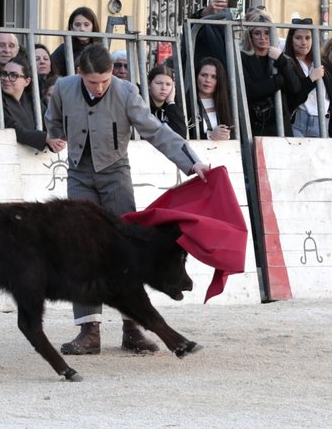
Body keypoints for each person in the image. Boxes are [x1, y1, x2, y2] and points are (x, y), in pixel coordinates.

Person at [45, 44, 210, 356]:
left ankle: (132, 327)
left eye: (105, 80)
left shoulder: (125, 92)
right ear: (80, 74)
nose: (100, 87)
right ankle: (89, 330)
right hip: (79, 174)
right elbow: (52, 119)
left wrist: (192, 162)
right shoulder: (64, 88)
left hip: (115, 174)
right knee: (80, 250)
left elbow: (156, 131)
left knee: (126, 252)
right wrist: (51, 137)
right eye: (93, 82)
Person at [240, 13, 301, 137]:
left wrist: (281, 61)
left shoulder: (282, 59)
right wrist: (277, 82)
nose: (263, 37)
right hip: (254, 124)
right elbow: (248, 91)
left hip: (280, 126)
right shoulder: (243, 58)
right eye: (257, 33)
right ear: (250, 36)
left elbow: (295, 88)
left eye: (267, 33)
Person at [0, 54, 47, 150]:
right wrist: (44, 138)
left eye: (13, 75)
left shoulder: (33, 102)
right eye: (4, 74)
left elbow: (49, 122)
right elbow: (10, 128)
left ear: (27, 81)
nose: (6, 79)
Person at [283, 18, 326, 138]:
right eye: (298, 38)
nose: (303, 42)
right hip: (297, 121)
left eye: (308, 38)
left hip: (321, 121)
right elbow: (293, 97)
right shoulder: (287, 63)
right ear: (291, 39)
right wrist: (310, 80)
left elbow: (330, 95)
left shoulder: (321, 62)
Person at [186, 0, 238, 73]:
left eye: (229, 2)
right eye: (220, 2)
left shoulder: (237, 28)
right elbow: (191, 26)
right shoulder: (204, 25)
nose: (225, 7)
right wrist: (207, 11)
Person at [192, 57, 233, 141]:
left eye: (214, 77)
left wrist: (227, 135)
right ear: (196, 76)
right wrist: (210, 136)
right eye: (204, 75)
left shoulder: (228, 103)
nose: (208, 80)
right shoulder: (186, 103)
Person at [51, 6, 98, 76]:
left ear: (93, 27)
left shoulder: (99, 49)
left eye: (86, 25)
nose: (82, 29)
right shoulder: (64, 49)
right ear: (71, 27)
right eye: (77, 25)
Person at [147, 65, 187, 138]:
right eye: (159, 83)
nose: (164, 88)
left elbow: (181, 135)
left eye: (168, 84)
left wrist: (171, 102)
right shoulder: (141, 104)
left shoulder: (173, 107)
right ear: (149, 84)